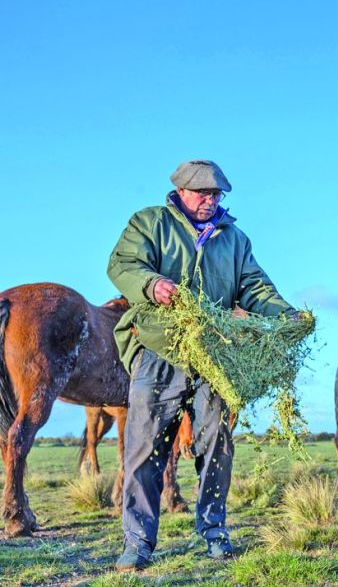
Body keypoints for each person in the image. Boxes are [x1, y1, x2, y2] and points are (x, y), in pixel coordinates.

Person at [107, 160, 297, 570]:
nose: (210, 201)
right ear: (181, 192)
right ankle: (137, 543)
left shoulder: (234, 239)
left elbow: (254, 286)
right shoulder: (150, 223)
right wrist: (151, 284)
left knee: (217, 445)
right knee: (144, 448)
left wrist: (286, 314)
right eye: (203, 194)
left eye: (216, 195)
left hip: (215, 355)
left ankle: (214, 532)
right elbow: (122, 265)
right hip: (160, 347)